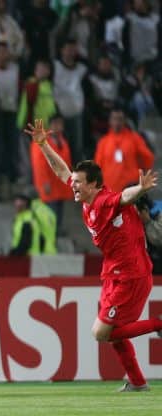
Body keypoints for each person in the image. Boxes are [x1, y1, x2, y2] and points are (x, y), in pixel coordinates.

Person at [25, 119, 162, 392]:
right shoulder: (87, 199)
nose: (73, 186)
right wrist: (43, 145)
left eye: (78, 183)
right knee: (112, 332)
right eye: (73, 182)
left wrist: (141, 189)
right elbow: (60, 170)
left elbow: (124, 197)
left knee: (101, 332)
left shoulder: (102, 201)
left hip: (131, 275)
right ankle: (137, 382)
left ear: (94, 185)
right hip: (114, 273)